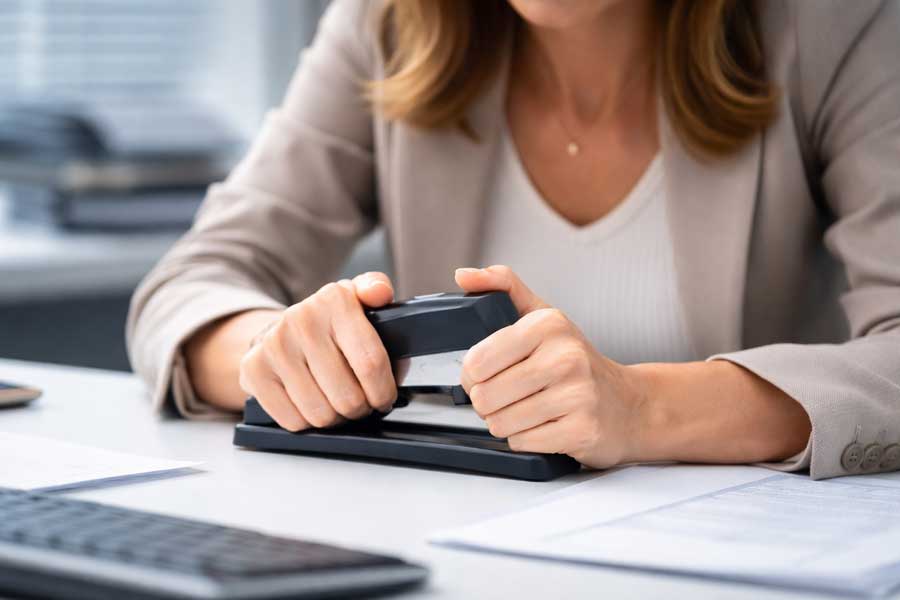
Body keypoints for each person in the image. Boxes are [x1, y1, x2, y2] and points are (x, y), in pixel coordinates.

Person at [127, 0, 900, 480]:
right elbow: (194, 282)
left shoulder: (836, 23)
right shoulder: (386, 21)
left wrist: (639, 409)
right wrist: (281, 354)